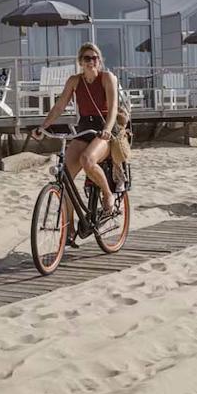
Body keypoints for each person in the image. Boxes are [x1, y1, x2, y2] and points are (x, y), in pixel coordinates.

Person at [33, 42, 119, 246]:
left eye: (95, 58)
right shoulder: (74, 81)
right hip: (84, 129)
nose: (91, 61)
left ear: (99, 60)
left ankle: (108, 196)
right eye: (87, 58)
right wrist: (43, 126)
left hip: (104, 130)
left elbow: (113, 107)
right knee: (66, 178)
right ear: (80, 62)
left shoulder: (108, 78)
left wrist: (107, 129)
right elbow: (60, 106)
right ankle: (69, 229)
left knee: (87, 160)